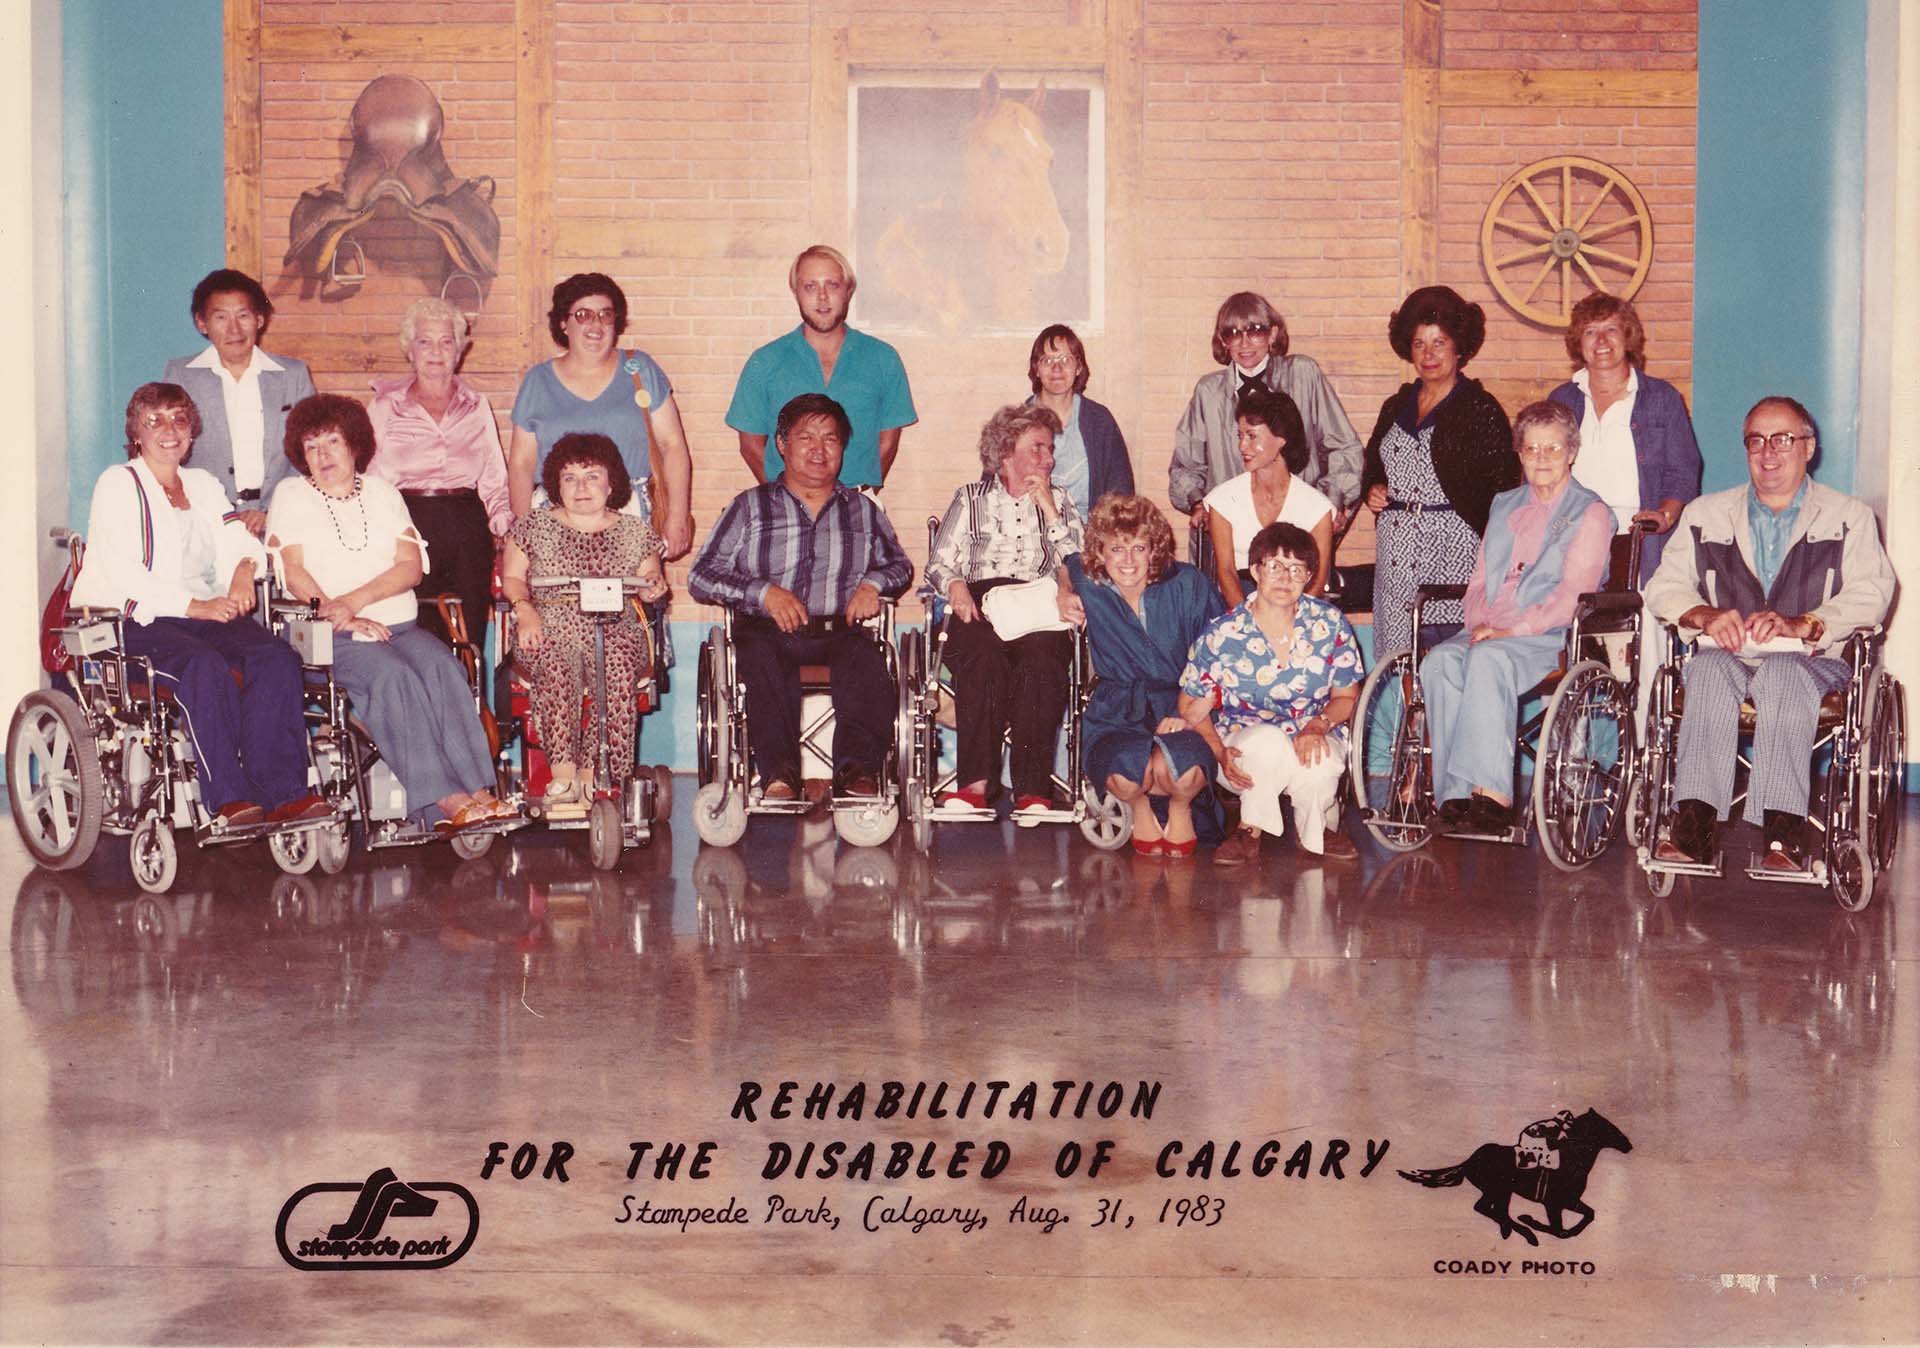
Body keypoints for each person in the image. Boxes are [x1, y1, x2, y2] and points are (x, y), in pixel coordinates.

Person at [1645, 395, 1896, 870]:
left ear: (1808, 447)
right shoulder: (1704, 515)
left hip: (1813, 661)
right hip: (1728, 654)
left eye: (1782, 439)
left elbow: (1873, 592)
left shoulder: (1849, 517)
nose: (1768, 452)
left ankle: (1783, 836)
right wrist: (1703, 614)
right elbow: (1663, 587)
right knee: (1707, 671)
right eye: (1756, 441)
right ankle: (1693, 830)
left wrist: (1807, 623)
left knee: (1783, 673)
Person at [70, 383, 327, 827]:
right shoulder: (118, 483)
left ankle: (284, 793)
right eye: (154, 421)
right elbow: (124, 572)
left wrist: (244, 569)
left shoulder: (203, 484)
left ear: (192, 430)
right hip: (134, 617)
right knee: (203, 666)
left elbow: (236, 540)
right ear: (136, 433)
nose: (169, 430)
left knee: (277, 657)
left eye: (179, 419)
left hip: (203, 612)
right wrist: (195, 606)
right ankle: (229, 799)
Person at [268, 394, 516, 832]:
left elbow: (410, 567)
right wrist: (340, 614)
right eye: (312, 446)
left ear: (354, 444)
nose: (323, 455)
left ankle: (480, 790)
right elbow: (294, 571)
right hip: (325, 633)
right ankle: (444, 799)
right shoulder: (291, 495)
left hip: (396, 626)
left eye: (333, 441)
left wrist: (354, 602)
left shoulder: (383, 493)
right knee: (393, 676)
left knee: (443, 667)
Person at [689, 394, 913, 800]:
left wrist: (873, 584)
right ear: (781, 444)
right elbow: (701, 576)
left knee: (867, 660)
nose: (818, 449)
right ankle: (779, 778)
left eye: (830, 439)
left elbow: (900, 566)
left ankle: (857, 774)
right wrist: (763, 593)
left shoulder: (863, 510)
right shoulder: (750, 507)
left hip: (839, 630)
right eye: (806, 437)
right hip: (767, 630)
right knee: (760, 658)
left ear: (843, 447)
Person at [1417, 401, 1615, 834]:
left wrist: (1510, 630)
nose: (1541, 458)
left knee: (1490, 660)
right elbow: (1479, 580)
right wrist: (1477, 623)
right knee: (1440, 662)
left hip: (1549, 633)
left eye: (1553, 448)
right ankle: (1454, 793)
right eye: (1531, 448)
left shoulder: (1590, 512)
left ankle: (1493, 797)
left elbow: (1572, 597)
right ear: (1519, 453)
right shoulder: (1504, 504)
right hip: (1491, 628)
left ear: (1572, 452)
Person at [926, 404, 1087, 818]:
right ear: (1005, 453)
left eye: (1050, 450)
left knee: (1042, 663)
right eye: (1037, 448)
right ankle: (975, 786)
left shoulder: (1061, 500)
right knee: (982, 658)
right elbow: (938, 563)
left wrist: (1050, 510)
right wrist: (956, 586)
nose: (1048, 459)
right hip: (978, 601)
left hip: (1038, 604)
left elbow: (1080, 564)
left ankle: (1033, 791)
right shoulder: (970, 498)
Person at [1180, 522, 1364, 865]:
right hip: (1245, 743)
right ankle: (1250, 828)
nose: (1285, 578)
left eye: (1296, 569)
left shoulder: (1329, 624)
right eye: (1275, 566)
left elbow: (1347, 697)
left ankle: (1316, 828)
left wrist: (1318, 725)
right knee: (1269, 741)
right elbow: (1190, 704)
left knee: (1320, 756)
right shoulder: (1224, 633)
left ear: (1309, 577)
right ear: (1255, 571)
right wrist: (1219, 752)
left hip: (1311, 731)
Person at [501, 433, 670, 805]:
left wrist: (653, 587)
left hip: (616, 625)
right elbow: (512, 577)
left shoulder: (634, 532)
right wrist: (524, 609)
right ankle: (563, 776)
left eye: (592, 476)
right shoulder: (532, 527)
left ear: (611, 484)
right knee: (556, 662)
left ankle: (597, 774)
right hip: (546, 623)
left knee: (616, 664)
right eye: (570, 477)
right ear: (556, 485)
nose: (581, 487)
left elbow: (650, 580)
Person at [1361, 285, 1520, 660]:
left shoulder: (1480, 409)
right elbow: (1374, 463)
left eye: (1439, 342)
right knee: (1400, 654)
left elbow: (1505, 488)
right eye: (1419, 344)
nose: (1428, 354)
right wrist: (1373, 488)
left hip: (1452, 549)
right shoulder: (1396, 405)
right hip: (1396, 551)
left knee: (1446, 653)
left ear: (1458, 347)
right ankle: (1408, 704)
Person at [1063, 494, 1225, 857]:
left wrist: (1190, 713)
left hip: (1179, 701)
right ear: (1100, 552)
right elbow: (1067, 561)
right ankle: (1139, 808)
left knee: (1178, 772)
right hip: (1116, 707)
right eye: (1116, 549)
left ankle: (1180, 808)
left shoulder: (1188, 583)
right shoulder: (1091, 584)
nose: (1128, 561)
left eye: (1139, 548)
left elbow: (1221, 657)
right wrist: (1062, 590)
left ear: (1154, 550)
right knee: (1128, 775)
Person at [507, 272, 694, 559]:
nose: (595, 324)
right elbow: (521, 463)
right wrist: (525, 532)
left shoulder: (640, 369)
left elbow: (673, 446)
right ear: (563, 323)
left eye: (605, 315)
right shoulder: (538, 381)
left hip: (631, 518)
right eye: (583, 315)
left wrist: (678, 516)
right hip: (555, 520)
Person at [368, 297, 512, 651]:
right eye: (425, 341)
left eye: (446, 342)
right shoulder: (385, 405)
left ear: (459, 350)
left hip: (466, 525)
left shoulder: (476, 405)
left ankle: (468, 687)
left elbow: (494, 477)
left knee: (467, 632)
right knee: (415, 628)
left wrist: (503, 525)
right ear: (410, 348)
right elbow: (369, 477)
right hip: (406, 523)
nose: (436, 351)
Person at [1168, 291, 1364, 537]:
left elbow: (1344, 447)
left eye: (1255, 331)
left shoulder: (1303, 374)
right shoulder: (1208, 392)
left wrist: (1330, 502)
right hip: (1231, 527)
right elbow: (1185, 464)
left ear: (1272, 334)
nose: (1244, 343)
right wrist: (1198, 503)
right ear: (1223, 341)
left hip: (1297, 525)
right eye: (1233, 333)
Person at [727, 245, 917, 489]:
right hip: (784, 505)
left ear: (848, 290)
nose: (822, 297)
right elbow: (750, 446)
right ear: (796, 292)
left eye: (832, 285)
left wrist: (857, 500)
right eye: (810, 286)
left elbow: (888, 444)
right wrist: (786, 499)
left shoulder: (883, 359)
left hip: (857, 504)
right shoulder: (764, 362)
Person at [1547, 293, 1702, 585]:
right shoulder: (1561, 400)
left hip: (1641, 541)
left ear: (1627, 337)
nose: (1601, 340)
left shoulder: (1663, 398)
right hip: (1573, 539)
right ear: (1578, 342)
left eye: (1611, 329)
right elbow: (1540, 471)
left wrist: (1665, 516)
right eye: (1590, 331)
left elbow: (1684, 472)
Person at [162, 268, 318, 536]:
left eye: (243, 316)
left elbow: (310, 452)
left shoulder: (293, 375)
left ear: (259, 319)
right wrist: (219, 515)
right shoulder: (182, 376)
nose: (234, 329)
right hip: (205, 522)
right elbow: (168, 457)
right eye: (221, 317)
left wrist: (273, 511)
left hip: (281, 518)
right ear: (202, 323)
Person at [1203, 385, 1335, 605]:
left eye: (1252, 436)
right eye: (1240, 436)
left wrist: (1291, 618)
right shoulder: (1223, 500)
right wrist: (1250, 620)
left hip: (1295, 609)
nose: (1242, 445)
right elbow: (1226, 573)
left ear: (1281, 439)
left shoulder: (1317, 508)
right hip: (1239, 608)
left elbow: (1317, 580)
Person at [1024, 323, 1134, 518]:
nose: (1057, 368)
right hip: (1030, 532)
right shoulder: (1016, 423)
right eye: (1047, 360)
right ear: (1036, 369)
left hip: (1090, 532)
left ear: (1078, 367)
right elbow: (991, 492)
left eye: (1066, 359)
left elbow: (1121, 494)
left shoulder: (1100, 421)